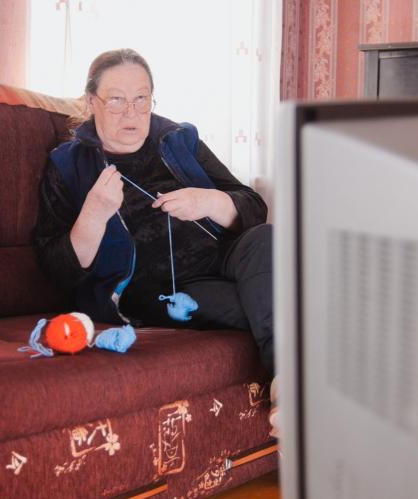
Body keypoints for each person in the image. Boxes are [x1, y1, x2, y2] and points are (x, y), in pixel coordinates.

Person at [34, 49, 276, 431]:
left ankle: (288, 389)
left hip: (227, 255)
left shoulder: (177, 139)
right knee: (268, 302)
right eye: (116, 100)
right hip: (163, 292)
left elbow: (253, 207)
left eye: (141, 98)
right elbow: (57, 269)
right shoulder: (68, 165)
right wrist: (94, 214)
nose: (131, 112)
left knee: (267, 238)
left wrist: (207, 200)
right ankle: (295, 393)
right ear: (91, 101)